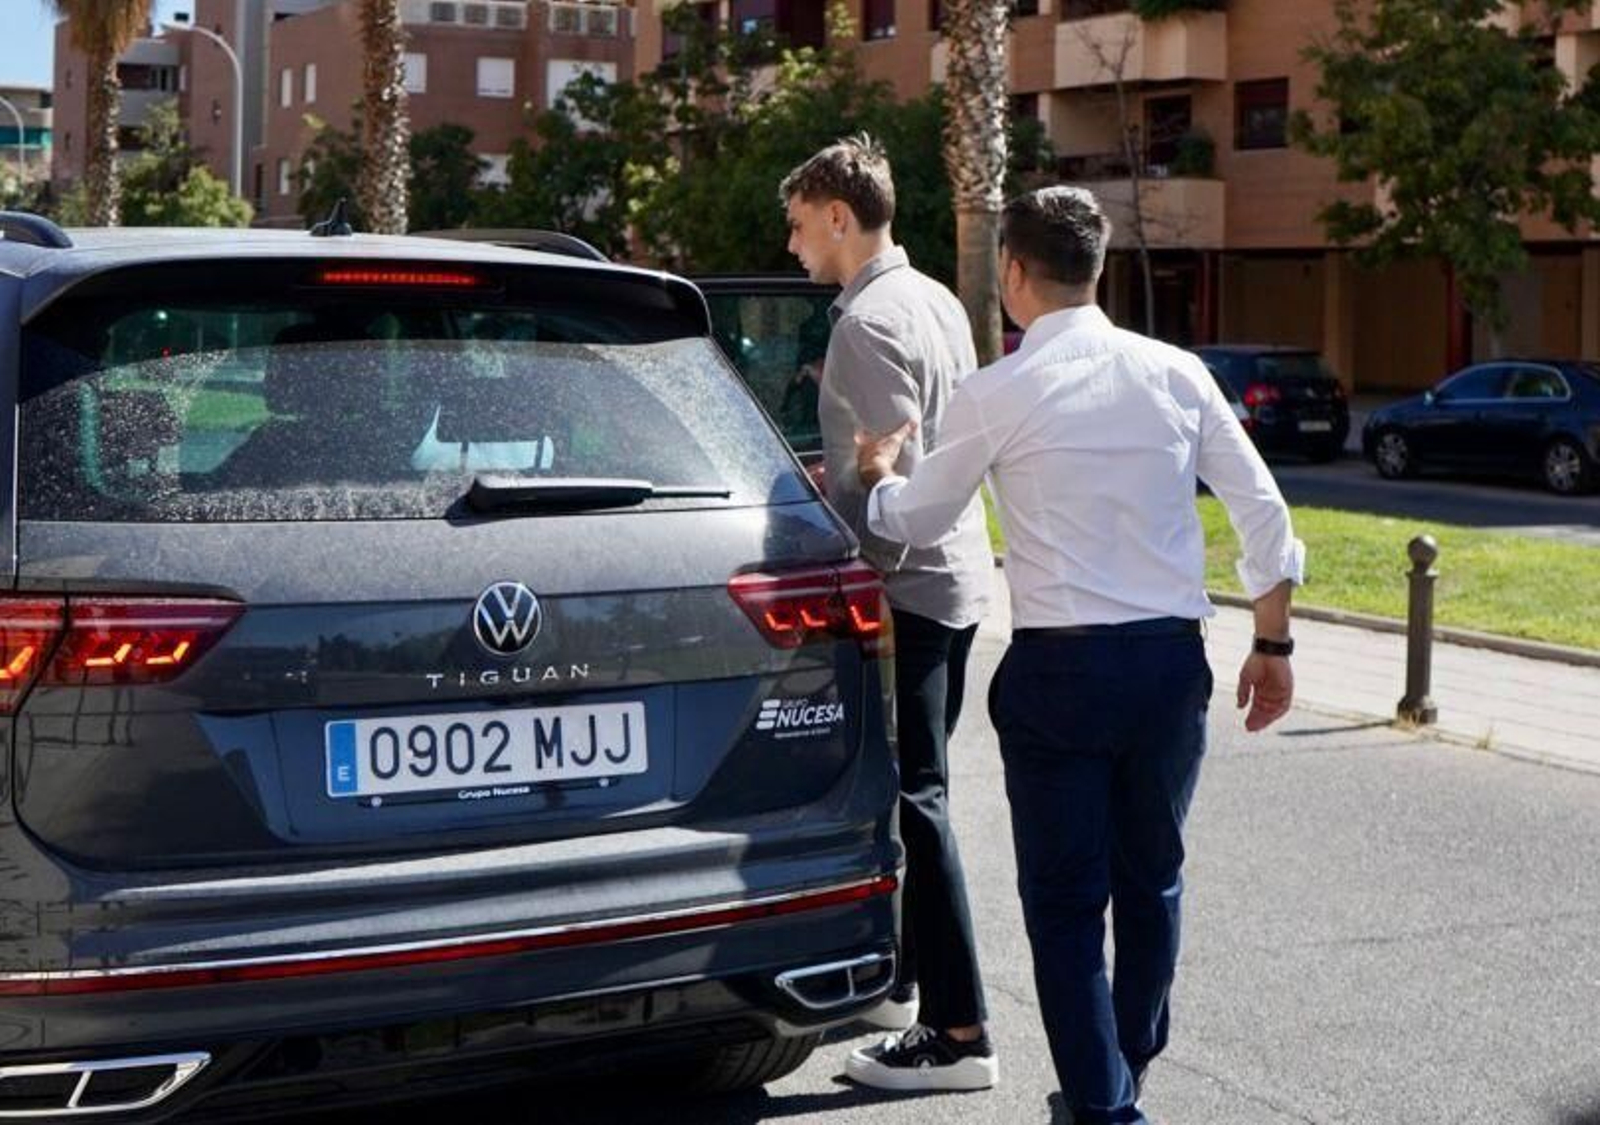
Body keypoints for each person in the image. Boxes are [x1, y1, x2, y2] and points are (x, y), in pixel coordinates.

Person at [855, 186, 1302, 1125]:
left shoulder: (997, 391)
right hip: (1169, 669)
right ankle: (1120, 1071)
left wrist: (880, 475)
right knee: (1154, 880)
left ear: (1013, 274)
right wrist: (1273, 640)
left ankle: (1105, 1106)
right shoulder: (1177, 372)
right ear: (1094, 269)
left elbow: (920, 517)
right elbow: (1262, 507)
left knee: (1064, 902)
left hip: (1061, 676)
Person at [779, 135, 999, 1093]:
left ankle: (959, 1034)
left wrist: (840, 507)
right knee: (924, 794)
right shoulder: (940, 298)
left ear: (838, 216)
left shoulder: (866, 322)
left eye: (797, 226)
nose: (791, 247)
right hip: (955, 581)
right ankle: (906, 989)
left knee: (918, 803)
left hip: (905, 586)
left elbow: (895, 484)